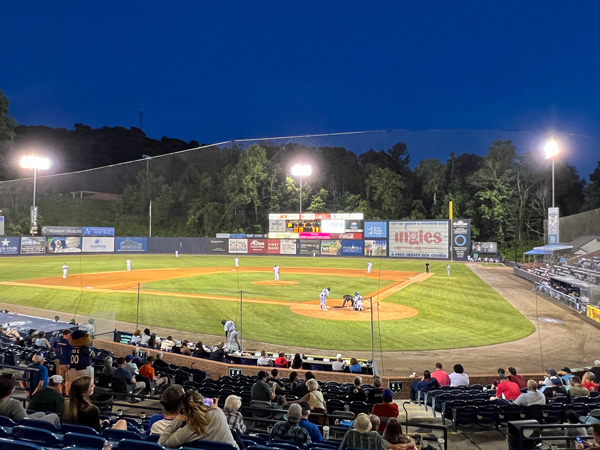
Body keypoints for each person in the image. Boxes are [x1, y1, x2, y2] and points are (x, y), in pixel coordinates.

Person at [158, 389, 239, 448]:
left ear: (185, 412)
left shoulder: (188, 430)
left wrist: (178, 419)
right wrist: (215, 409)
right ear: (202, 403)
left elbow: (161, 443)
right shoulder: (218, 412)